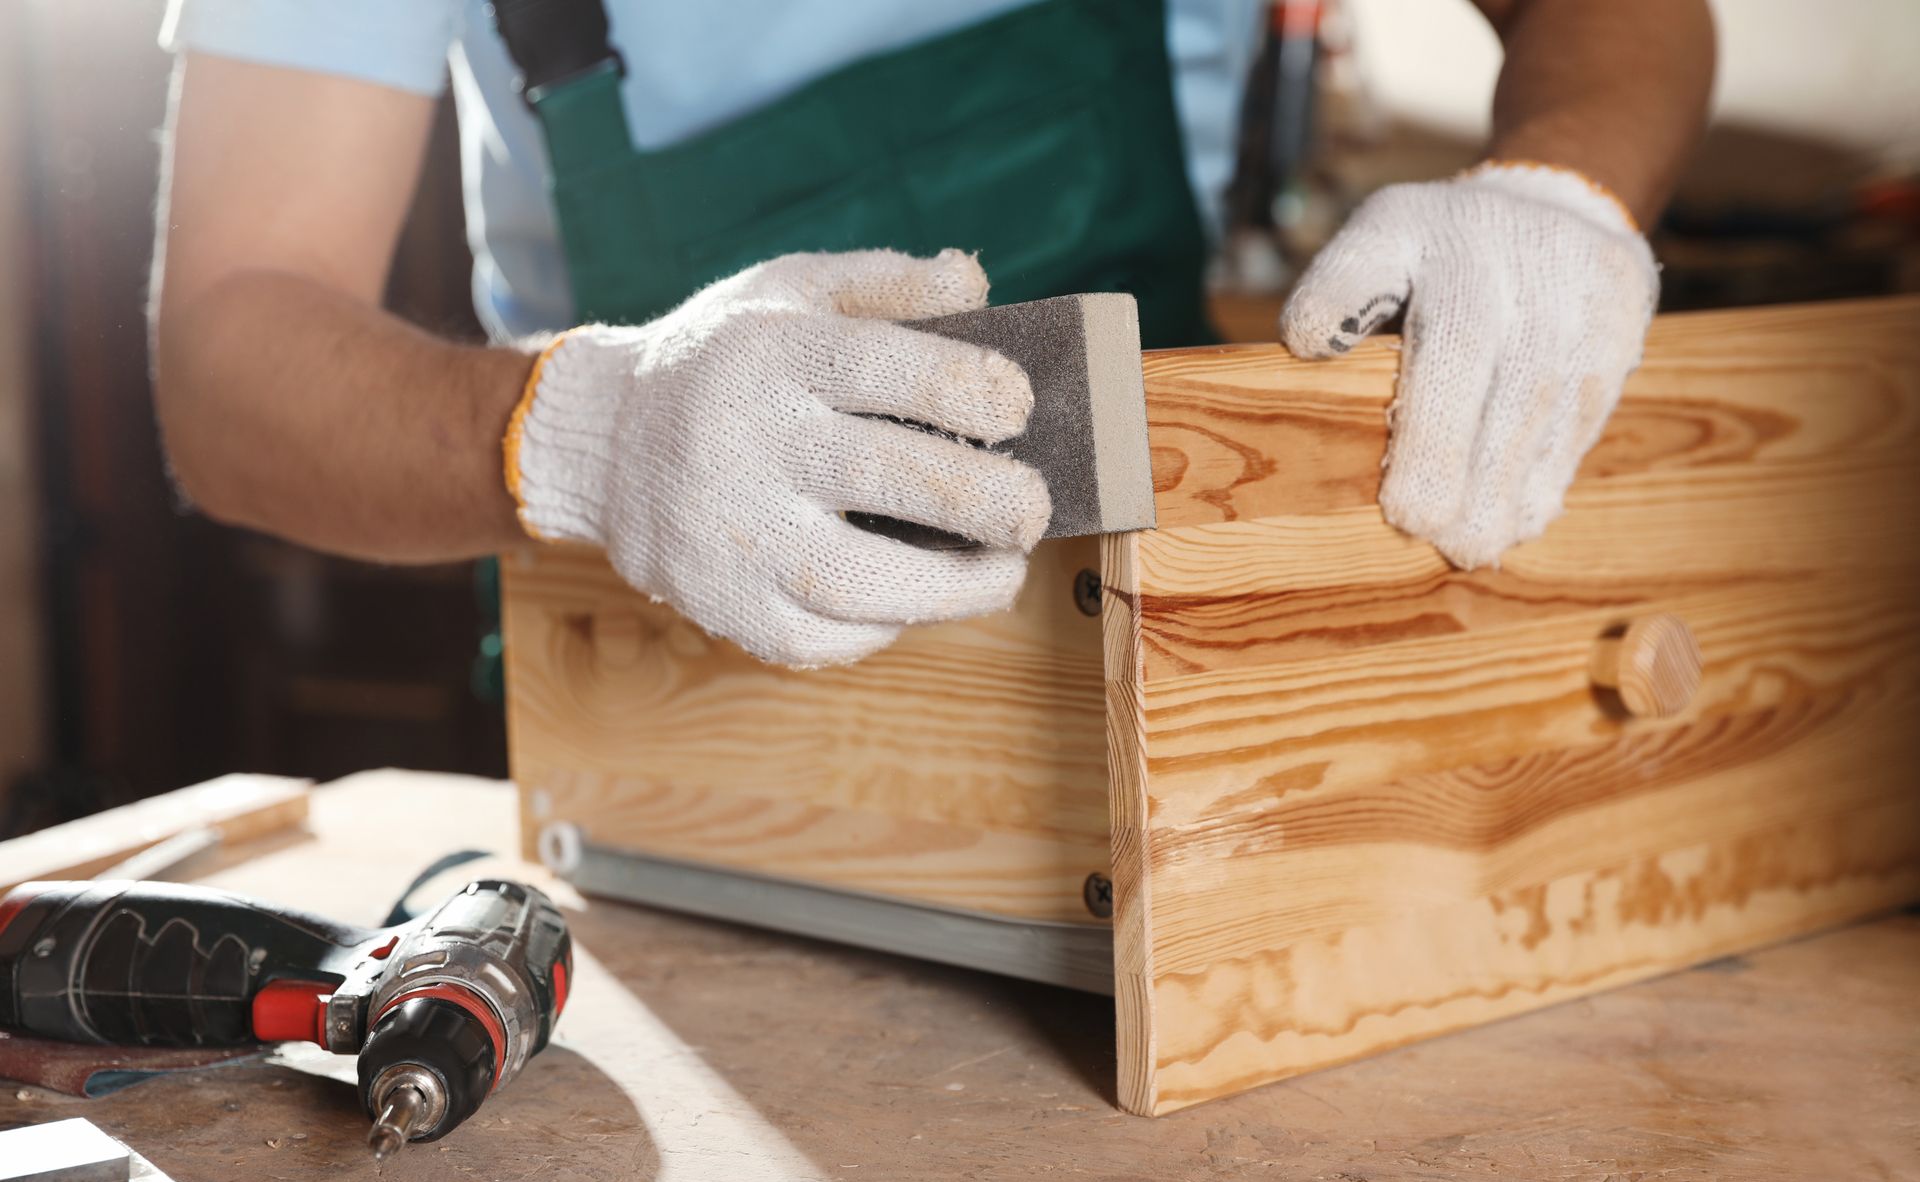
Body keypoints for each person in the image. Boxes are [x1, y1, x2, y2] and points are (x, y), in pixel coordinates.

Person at [151, 0, 1714, 667]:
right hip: (671, 738)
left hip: (1198, 653)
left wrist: (1565, 192)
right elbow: (229, 359)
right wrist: (585, 430)